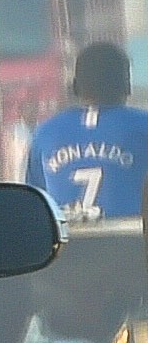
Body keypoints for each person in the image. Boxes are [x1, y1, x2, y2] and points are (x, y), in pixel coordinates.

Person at [27, 43, 148, 223]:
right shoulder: (143, 126)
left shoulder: (45, 132)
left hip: (69, 246)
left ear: (75, 87)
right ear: (127, 86)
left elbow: (34, 204)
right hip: (130, 244)